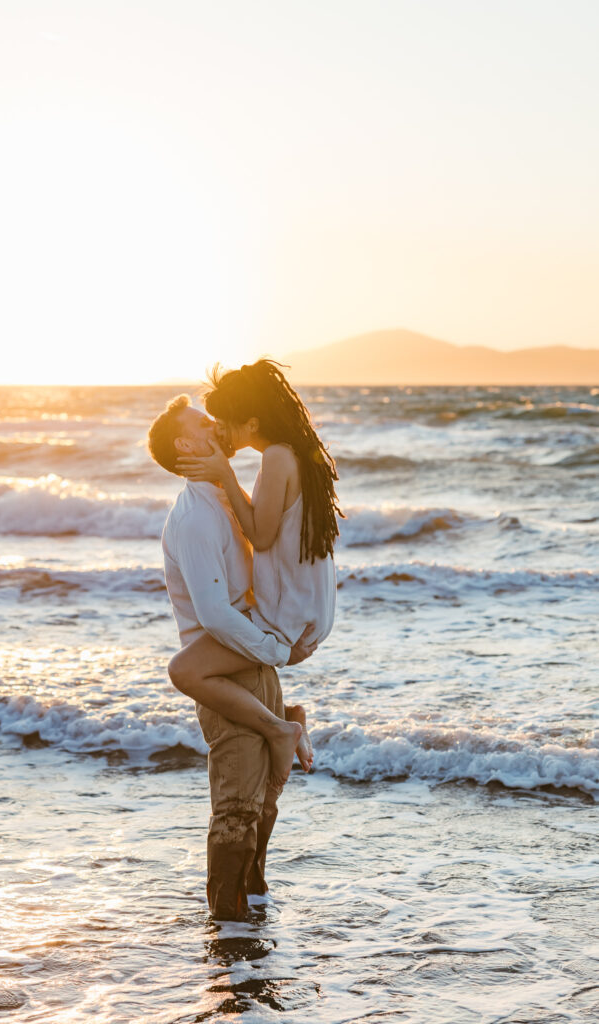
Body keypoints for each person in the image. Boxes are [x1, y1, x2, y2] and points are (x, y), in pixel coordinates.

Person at [147, 393, 318, 920]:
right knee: (236, 808)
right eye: (204, 421)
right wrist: (274, 649)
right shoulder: (195, 518)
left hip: (253, 656)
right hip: (225, 666)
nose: (217, 424)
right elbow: (215, 616)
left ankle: (254, 915)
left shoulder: (224, 494)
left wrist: (291, 635)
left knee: (265, 795)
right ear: (185, 443)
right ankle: (228, 934)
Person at [169, 360, 341, 787]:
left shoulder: (278, 458)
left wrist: (226, 475)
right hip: (309, 608)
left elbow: (261, 538)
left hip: (288, 615)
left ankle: (281, 728)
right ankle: (287, 715)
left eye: (225, 421)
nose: (220, 430)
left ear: (250, 422)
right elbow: (270, 528)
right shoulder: (295, 453)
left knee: (185, 671)